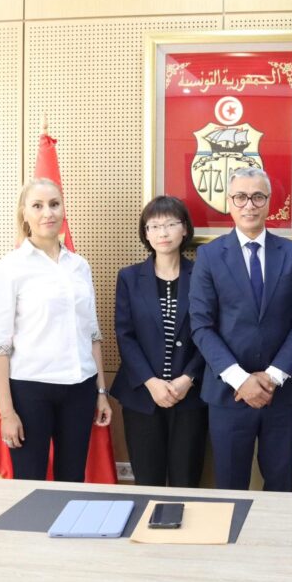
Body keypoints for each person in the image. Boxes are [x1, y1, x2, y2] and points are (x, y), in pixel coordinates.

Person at [189, 167, 292, 491]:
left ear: (269, 202)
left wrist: (271, 377)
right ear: (229, 202)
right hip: (228, 395)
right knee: (230, 488)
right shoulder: (209, 255)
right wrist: (241, 380)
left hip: (281, 395)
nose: (249, 204)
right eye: (241, 197)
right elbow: (201, 325)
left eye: (258, 196)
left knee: (281, 486)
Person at [0, 178, 112, 481]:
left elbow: (92, 335)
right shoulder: (9, 268)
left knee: (73, 482)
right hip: (30, 392)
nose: (48, 213)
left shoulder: (79, 266)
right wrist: (7, 413)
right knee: (30, 484)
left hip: (80, 389)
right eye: (38, 206)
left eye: (54, 204)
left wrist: (101, 393)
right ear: (24, 213)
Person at [112, 196, 207, 487]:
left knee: (186, 480)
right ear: (146, 233)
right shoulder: (129, 277)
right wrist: (151, 382)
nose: (162, 233)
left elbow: (209, 333)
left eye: (170, 224)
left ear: (185, 229)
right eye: (153, 226)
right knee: (147, 480)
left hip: (190, 396)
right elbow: (125, 335)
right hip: (142, 396)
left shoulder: (202, 274)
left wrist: (188, 378)